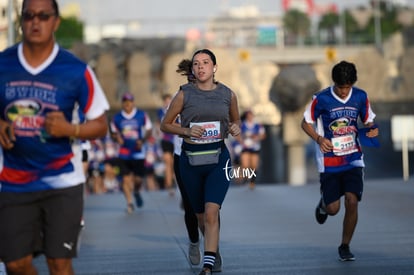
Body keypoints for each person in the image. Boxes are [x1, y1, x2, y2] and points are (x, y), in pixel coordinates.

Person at [0, 0, 110, 274]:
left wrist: (70, 129)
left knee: (59, 263)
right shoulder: (3, 64)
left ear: (56, 22)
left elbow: (100, 124)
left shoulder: (75, 70)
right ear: (20, 22)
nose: (35, 22)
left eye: (43, 16)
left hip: (62, 181)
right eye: (28, 16)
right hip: (13, 180)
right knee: (14, 264)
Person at [161, 49, 241, 275]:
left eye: (206, 63)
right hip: (190, 161)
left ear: (214, 67)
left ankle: (208, 264)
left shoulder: (228, 94)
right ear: (193, 70)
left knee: (211, 213)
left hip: (218, 159)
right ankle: (210, 249)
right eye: (196, 64)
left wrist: (236, 127)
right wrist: (187, 130)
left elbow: (236, 120)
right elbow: (165, 125)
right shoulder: (184, 94)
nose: (200, 67)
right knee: (198, 215)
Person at [301, 60, 379, 261]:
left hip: (353, 158)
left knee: (352, 201)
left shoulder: (361, 96)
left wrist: (372, 128)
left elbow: (368, 119)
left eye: (347, 87)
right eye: (340, 87)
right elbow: (305, 123)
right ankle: (324, 204)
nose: (344, 92)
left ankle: (345, 246)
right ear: (334, 82)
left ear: (353, 83)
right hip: (329, 160)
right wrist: (319, 139)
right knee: (333, 209)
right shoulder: (321, 98)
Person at [110, 92, 153, 213]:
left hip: (138, 152)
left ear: (133, 103)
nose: (127, 104)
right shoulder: (117, 118)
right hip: (123, 153)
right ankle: (129, 203)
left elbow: (149, 130)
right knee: (125, 179)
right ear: (123, 103)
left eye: (129, 102)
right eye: (125, 102)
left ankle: (137, 191)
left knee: (138, 180)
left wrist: (143, 140)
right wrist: (116, 138)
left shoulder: (141, 115)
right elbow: (113, 133)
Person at [239, 109, 266, 189]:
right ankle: (246, 178)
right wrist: (242, 141)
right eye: (248, 115)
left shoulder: (258, 125)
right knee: (245, 165)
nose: (250, 117)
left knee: (254, 165)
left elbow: (263, 135)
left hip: (255, 147)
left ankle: (252, 181)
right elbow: (238, 135)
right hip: (245, 147)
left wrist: (257, 137)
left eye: (251, 115)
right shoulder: (242, 125)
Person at [156, 94, 176, 195]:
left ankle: (174, 181)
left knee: (174, 163)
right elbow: (158, 124)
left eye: (169, 101)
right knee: (168, 162)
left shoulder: (177, 110)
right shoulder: (160, 111)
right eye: (166, 101)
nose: (168, 103)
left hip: (176, 139)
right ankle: (169, 185)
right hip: (166, 140)